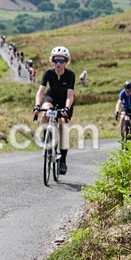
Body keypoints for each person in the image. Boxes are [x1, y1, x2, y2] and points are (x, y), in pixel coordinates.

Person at [34, 46, 75, 175]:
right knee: (45, 111)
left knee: (64, 125)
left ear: (66, 62)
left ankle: (62, 160)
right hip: (51, 97)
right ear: (52, 61)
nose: (58, 64)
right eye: (55, 61)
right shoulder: (48, 73)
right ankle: (45, 134)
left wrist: (67, 109)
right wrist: (37, 105)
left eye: (61, 61)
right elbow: (40, 91)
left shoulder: (70, 75)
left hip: (64, 101)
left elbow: (70, 95)